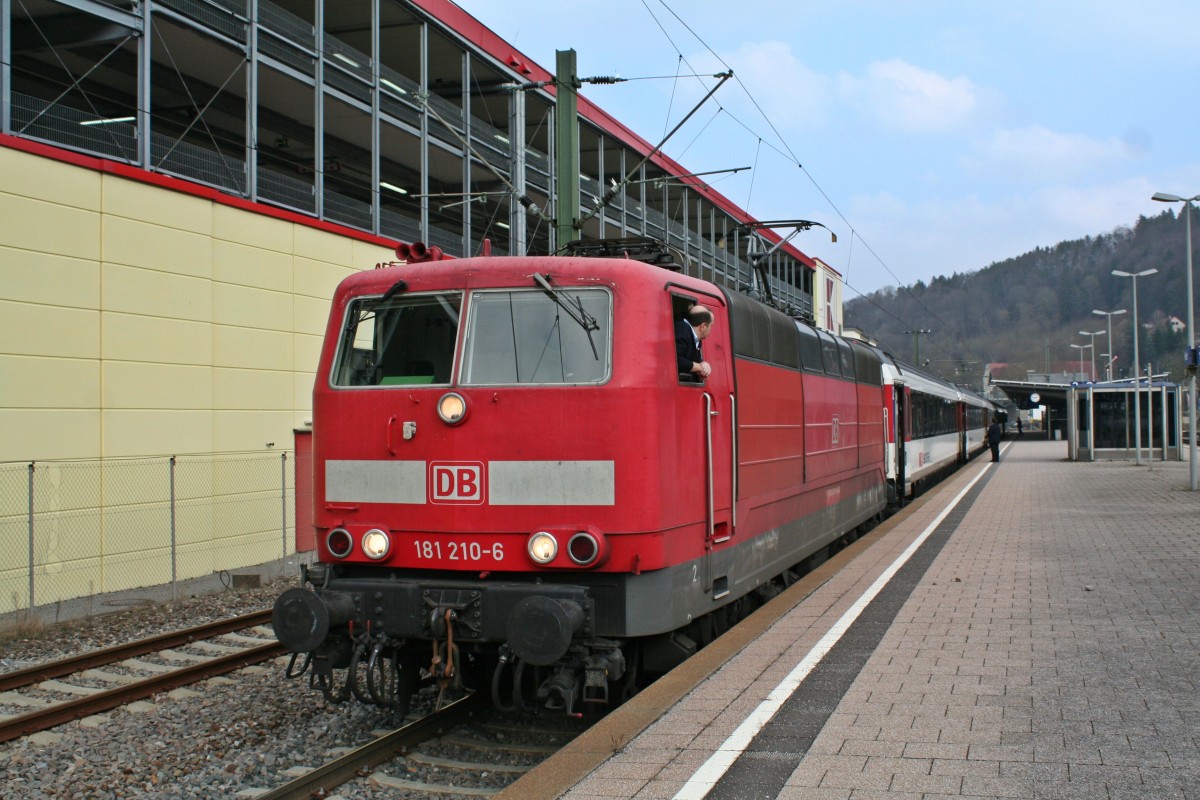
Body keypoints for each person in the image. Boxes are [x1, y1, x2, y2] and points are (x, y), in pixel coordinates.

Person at [675, 305, 714, 380]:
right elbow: (676, 360)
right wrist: (699, 367)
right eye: (711, 326)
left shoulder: (695, 338)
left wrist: (703, 364)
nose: (710, 329)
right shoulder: (682, 330)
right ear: (703, 326)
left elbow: (692, 361)